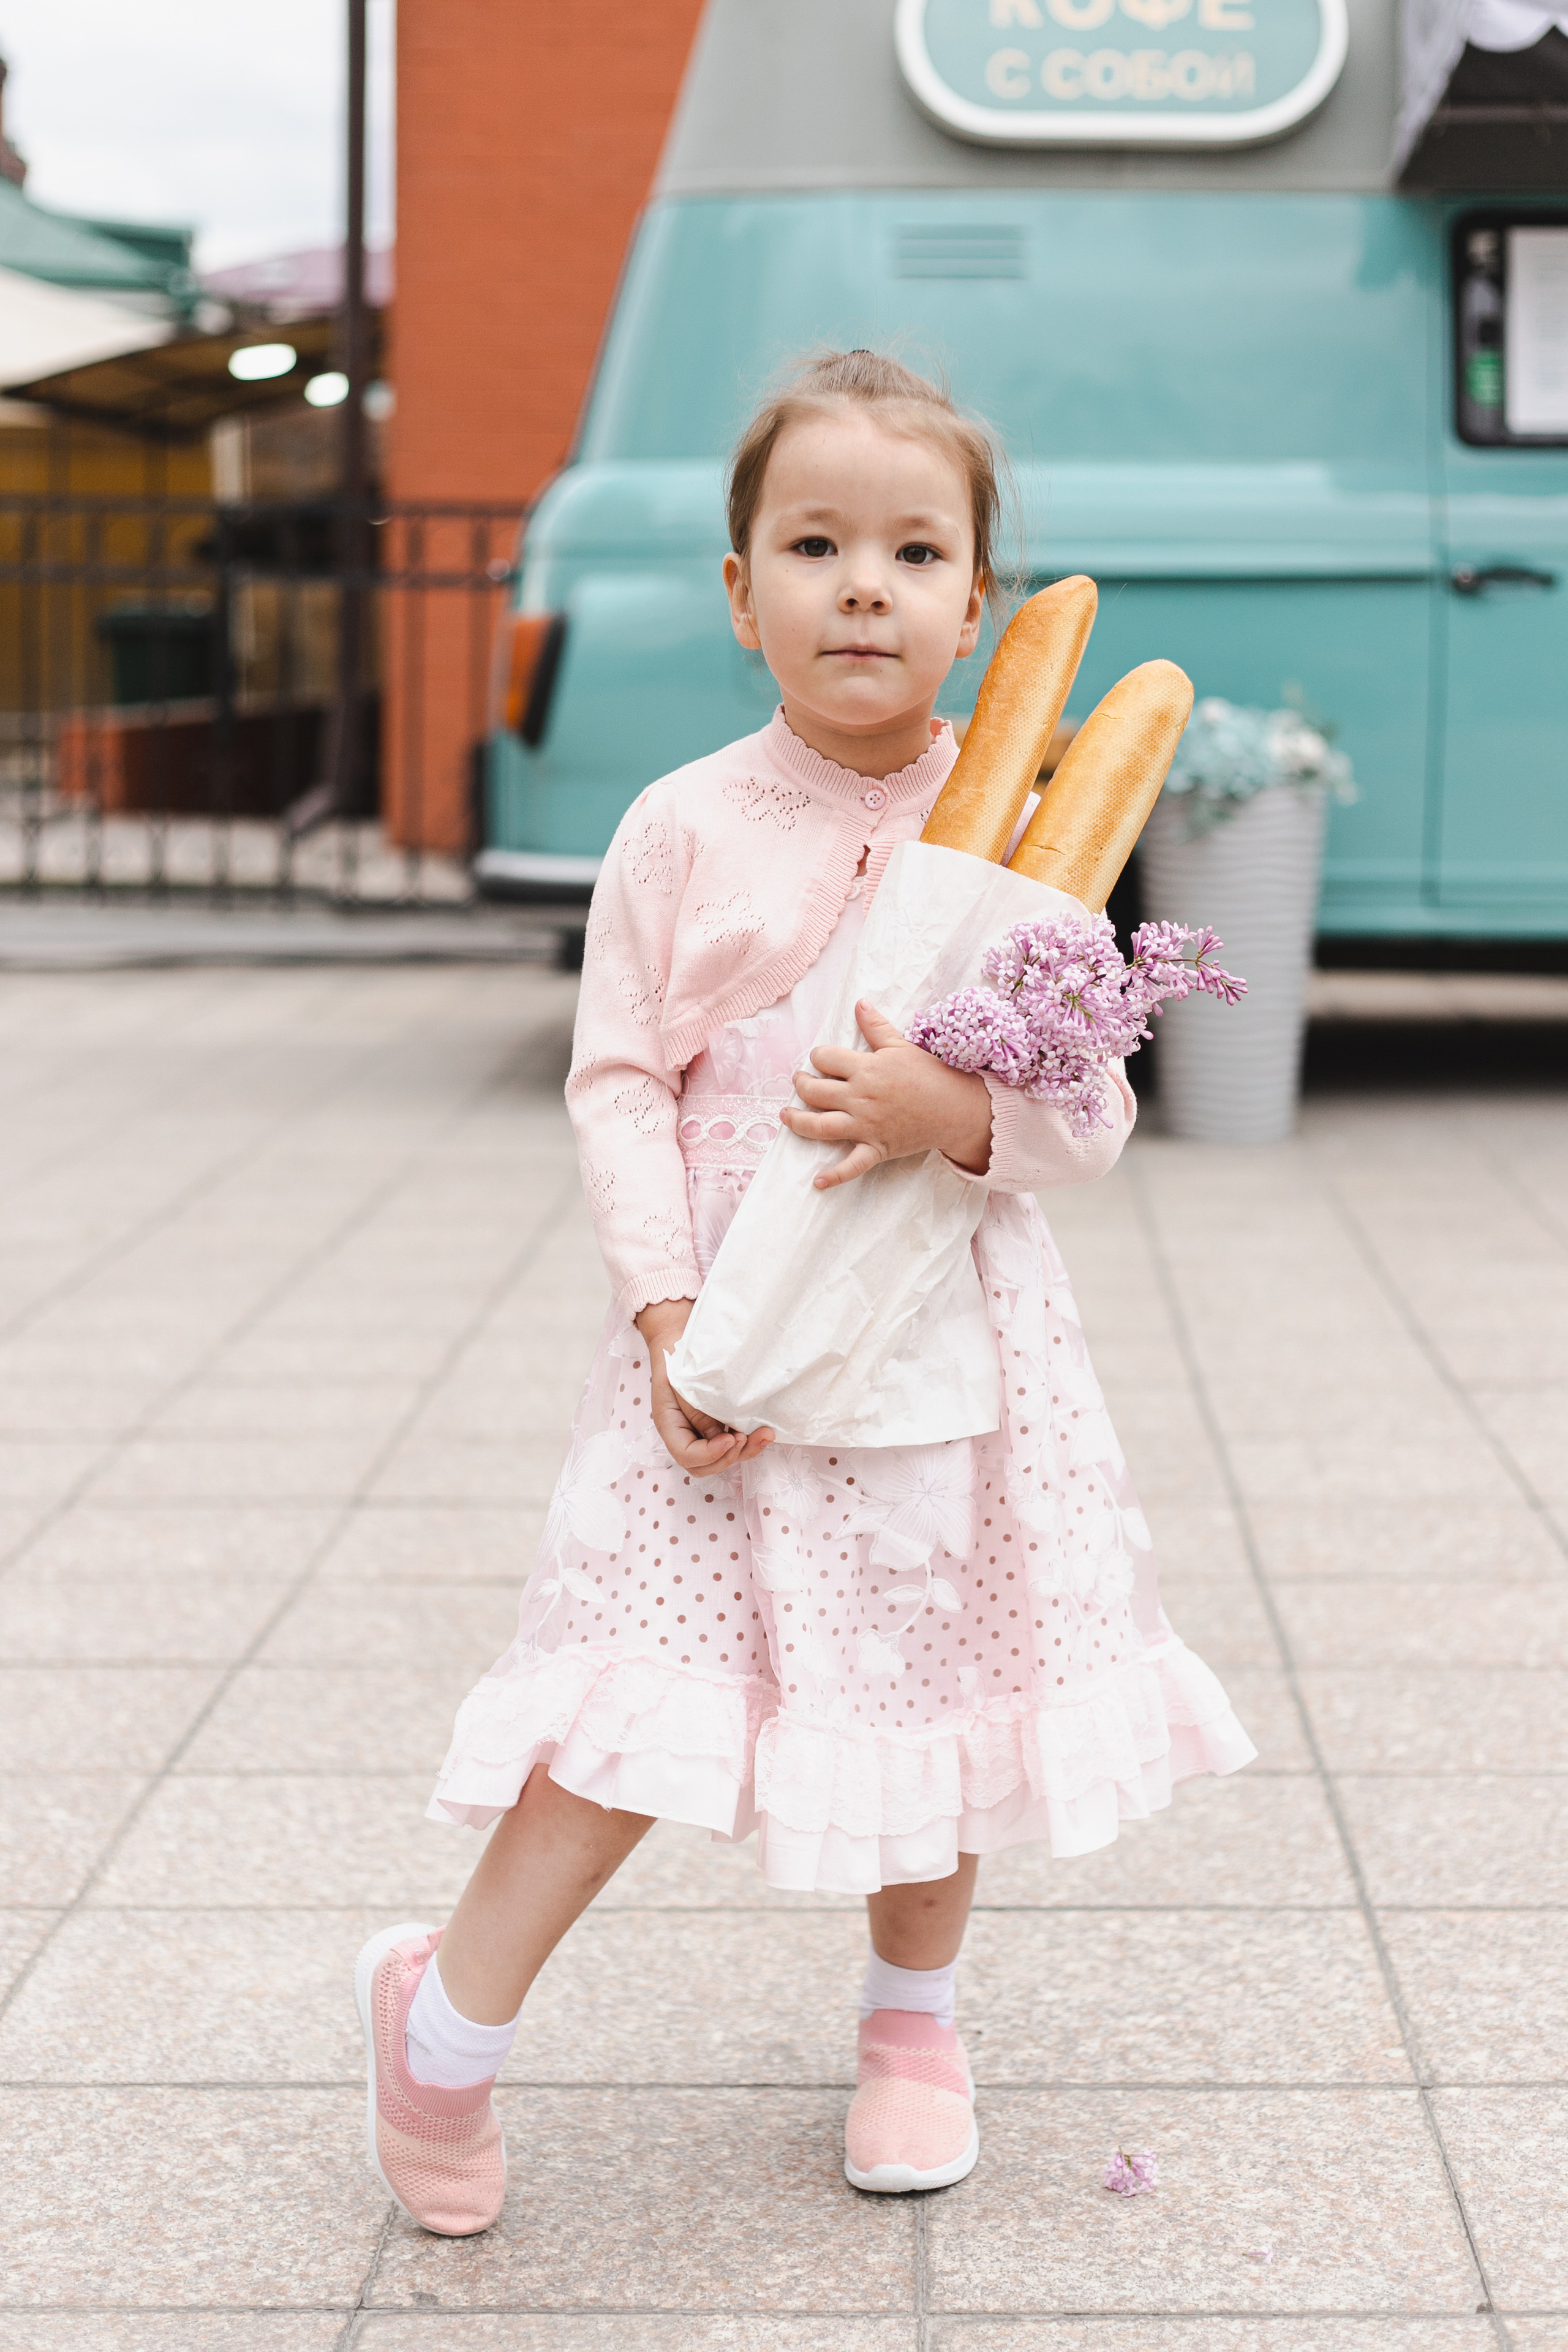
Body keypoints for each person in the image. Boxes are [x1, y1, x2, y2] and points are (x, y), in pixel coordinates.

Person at [355, 350, 1256, 2235]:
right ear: (738, 587)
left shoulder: (1037, 842)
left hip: (949, 1350)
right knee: (626, 1708)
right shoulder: (683, 825)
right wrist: (666, 1315)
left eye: (916, 552)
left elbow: (1094, 1112)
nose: (865, 587)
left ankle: (914, 2028)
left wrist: (962, 1114)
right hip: (722, 1353)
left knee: (939, 1681)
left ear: (975, 608)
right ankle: (439, 2031)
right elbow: (618, 1083)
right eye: (816, 543)